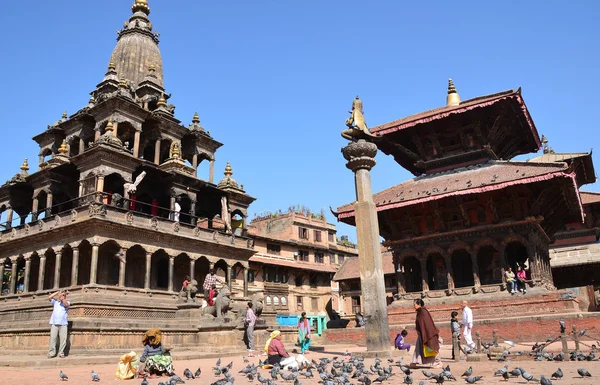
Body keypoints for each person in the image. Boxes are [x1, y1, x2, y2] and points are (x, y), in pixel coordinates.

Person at [410, 299, 441, 368]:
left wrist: (426, 333)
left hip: (428, 334)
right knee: (418, 348)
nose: (414, 306)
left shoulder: (423, 312)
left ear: (419, 304)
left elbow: (427, 324)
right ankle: (414, 362)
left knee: (431, 347)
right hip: (422, 333)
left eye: (415, 304)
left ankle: (438, 362)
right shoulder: (419, 312)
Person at [48, 290, 70, 358]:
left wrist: (63, 298)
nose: (61, 296)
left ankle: (61, 353)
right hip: (54, 323)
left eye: (63, 295)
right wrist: (57, 293)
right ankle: (52, 353)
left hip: (63, 324)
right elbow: (49, 297)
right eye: (61, 295)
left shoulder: (67, 302)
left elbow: (66, 304)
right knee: (53, 339)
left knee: (63, 339)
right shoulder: (56, 302)